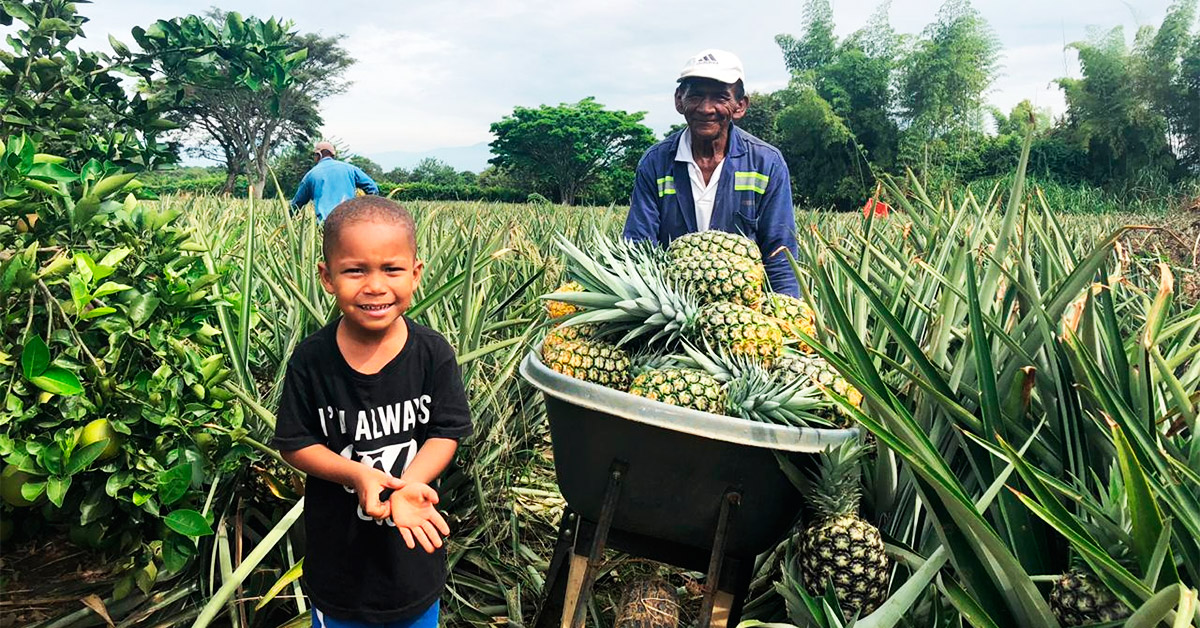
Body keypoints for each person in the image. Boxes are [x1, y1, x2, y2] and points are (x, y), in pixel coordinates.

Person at [271, 196, 472, 627]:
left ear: (416, 274)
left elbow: (446, 431)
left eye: (392, 269)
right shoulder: (311, 361)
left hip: (412, 565)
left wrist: (409, 485)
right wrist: (356, 475)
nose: (375, 285)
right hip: (340, 572)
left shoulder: (432, 354)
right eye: (355, 269)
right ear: (328, 277)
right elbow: (295, 442)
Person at [624, 49, 800, 296]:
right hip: (670, 307)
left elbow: (780, 254)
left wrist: (788, 319)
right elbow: (638, 247)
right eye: (695, 96)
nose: (706, 108)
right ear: (678, 100)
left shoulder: (766, 163)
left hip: (745, 313)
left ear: (740, 105)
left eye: (720, 97)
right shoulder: (656, 163)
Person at [291, 141, 382, 221]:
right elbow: (373, 188)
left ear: (318, 155)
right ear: (333, 154)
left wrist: (287, 221)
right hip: (349, 221)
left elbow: (297, 203)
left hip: (325, 225)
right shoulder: (350, 169)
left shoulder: (310, 175)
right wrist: (363, 211)